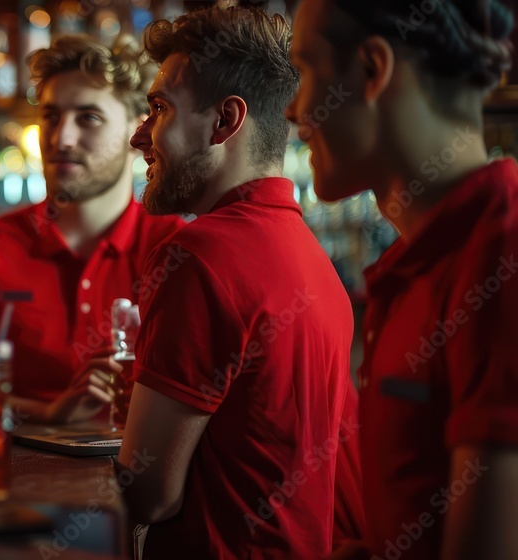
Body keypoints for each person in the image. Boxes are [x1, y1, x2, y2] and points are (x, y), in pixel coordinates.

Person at [118, 6, 360, 557]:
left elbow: (149, 494)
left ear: (225, 121)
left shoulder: (200, 256)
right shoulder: (312, 259)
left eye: (158, 109)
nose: (138, 137)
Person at [287, 1, 518, 558]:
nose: (294, 111)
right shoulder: (425, 258)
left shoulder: (501, 259)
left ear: (372, 71)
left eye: (305, 70)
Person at [0, 35, 184, 424]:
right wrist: (50, 414)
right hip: (14, 479)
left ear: (138, 131)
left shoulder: (175, 249)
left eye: (88, 118)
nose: (61, 139)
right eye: (51, 117)